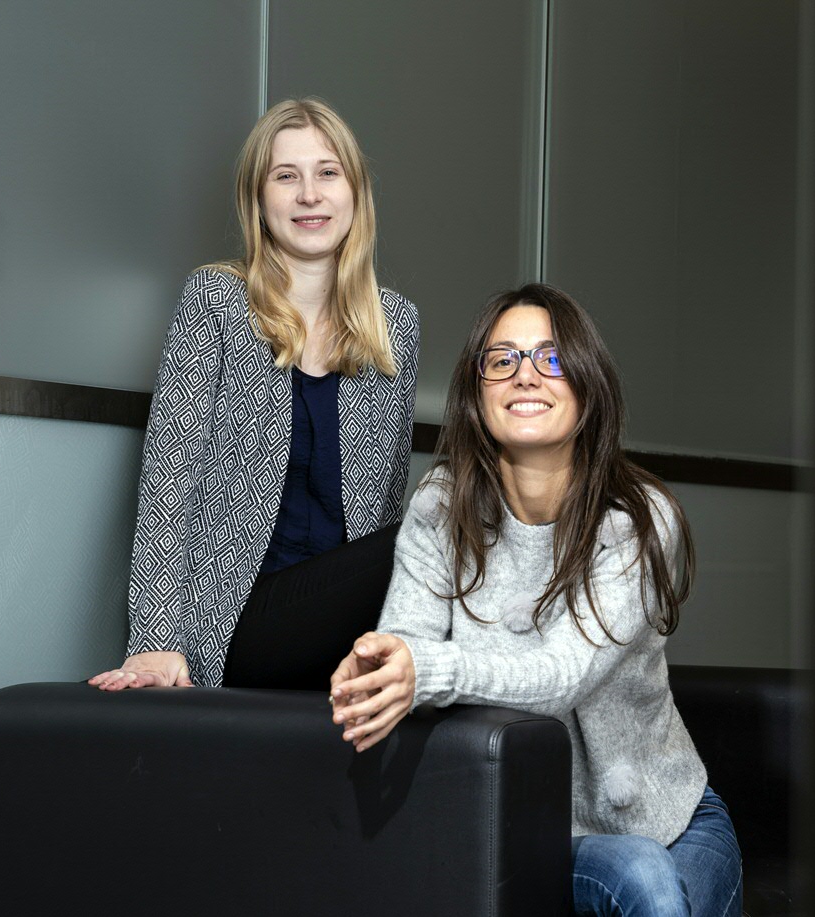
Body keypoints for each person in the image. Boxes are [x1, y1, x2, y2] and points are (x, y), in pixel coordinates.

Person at [329, 284, 742, 917]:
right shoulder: (441, 507)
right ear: (477, 389)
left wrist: (429, 671)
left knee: (653, 882)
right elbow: (406, 642)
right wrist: (378, 665)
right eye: (503, 360)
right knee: (640, 876)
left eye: (550, 358)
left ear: (586, 384)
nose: (525, 376)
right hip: (522, 824)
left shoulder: (635, 519)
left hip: (670, 820)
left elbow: (560, 676)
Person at [89, 98, 418, 691]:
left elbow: (387, 504)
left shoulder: (394, 325)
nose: (309, 195)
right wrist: (156, 644)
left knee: (434, 522)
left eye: (327, 172)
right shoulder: (216, 301)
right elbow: (171, 479)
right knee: (444, 520)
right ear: (258, 199)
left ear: (355, 192)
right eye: (285, 176)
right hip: (241, 621)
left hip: (352, 631)